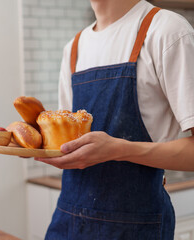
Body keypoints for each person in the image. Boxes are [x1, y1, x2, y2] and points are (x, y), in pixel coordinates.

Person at [34, 0, 194, 239]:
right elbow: (66, 142)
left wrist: (119, 149)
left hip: (136, 226)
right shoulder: (74, 48)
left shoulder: (167, 31)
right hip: (68, 222)